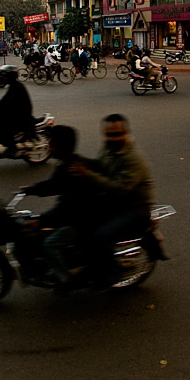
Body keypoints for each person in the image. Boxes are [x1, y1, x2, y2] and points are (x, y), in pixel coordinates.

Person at [71, 114, 154, 289]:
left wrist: (87, 174)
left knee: (101, 235)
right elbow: (101, 166)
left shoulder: (133, 159)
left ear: (126, 133)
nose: (112, 138)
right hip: (115, 201)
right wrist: (80, 160)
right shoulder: (109, 148)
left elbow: (118, 189)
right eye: (109, 134)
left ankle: (110, 275)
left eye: (117, 134)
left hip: (133, 210)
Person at [20, 125, 101, 289]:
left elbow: (68, 206)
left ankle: (66, 279)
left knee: (49, 244)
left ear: (60, 147)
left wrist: (41, 220)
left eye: (51, 143)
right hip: (75, 214)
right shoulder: (66, 163)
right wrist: (31, 189)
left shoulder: (75, 169)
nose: (48, 146)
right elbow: (54, 185)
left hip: (84, 219)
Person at [0, 65, 34, 154]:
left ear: (10, 77)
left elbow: (9, 105)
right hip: (17, 113)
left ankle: (11, 147)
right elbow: (4, 100)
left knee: (2, 125)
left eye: (5, 77)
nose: (4, 79)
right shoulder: (13, 86)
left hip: (22, 116)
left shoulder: (17, 88)